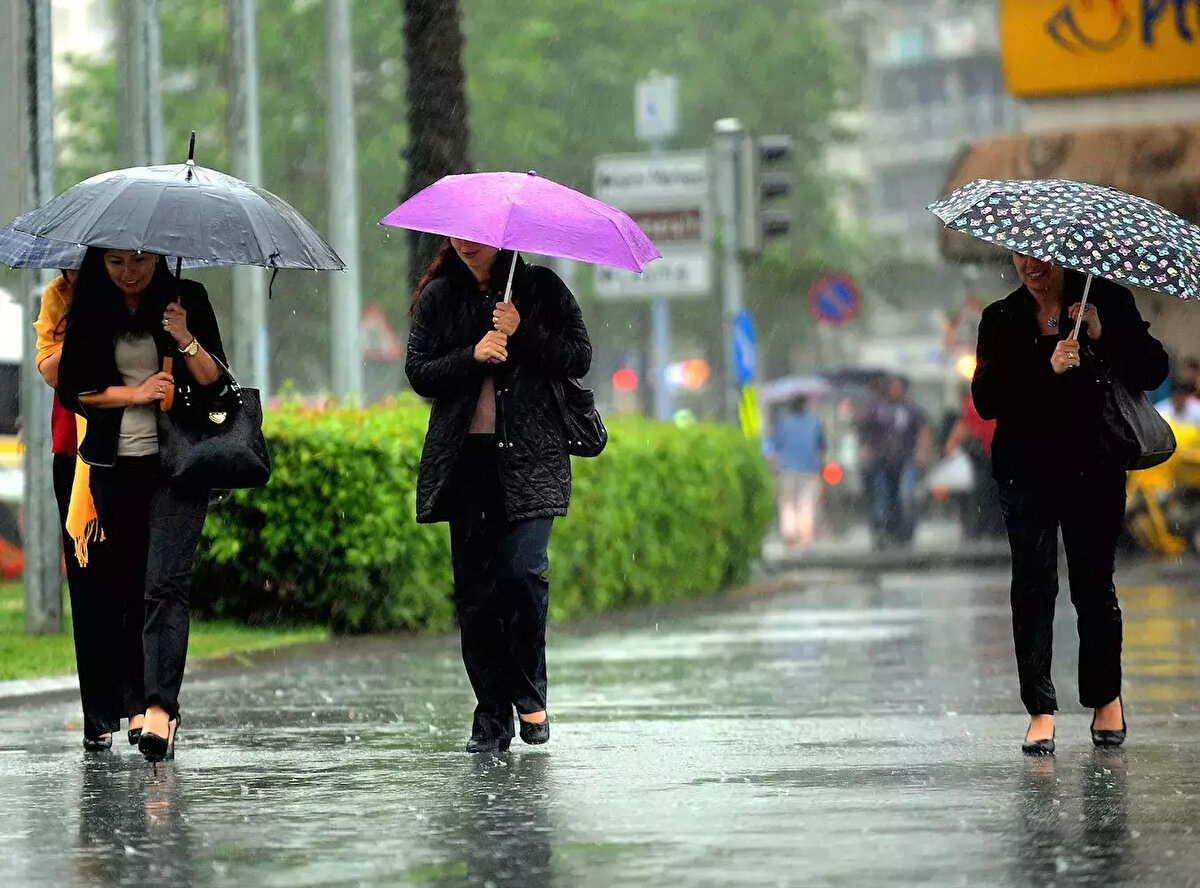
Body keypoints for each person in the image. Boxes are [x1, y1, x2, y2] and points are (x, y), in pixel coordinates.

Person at [973, 252, 1167, 755]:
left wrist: (1105, 335)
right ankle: (1039, 710)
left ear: (1065, 257)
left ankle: (1106, 700)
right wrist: (1047, 365)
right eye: (1021, 256)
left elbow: (1153, 369)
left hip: (1094, 467)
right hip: (1026, 471)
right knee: (1033, 588)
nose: (1032, 266)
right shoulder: (1001, 317)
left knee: (1094, 588)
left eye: (1043, 259)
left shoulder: (1104, 301)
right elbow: (987, 399)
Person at [405, 238, 591, 754]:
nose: (466, 244)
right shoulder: (440, 298)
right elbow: (418, 371)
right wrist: (472, 354)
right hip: (467, 463)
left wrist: (521, 331)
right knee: (476, 596)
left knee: (522, 571)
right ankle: (491, 713)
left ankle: (530, 694)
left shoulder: (540, 289)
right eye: (457, 234)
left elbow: (579, 357)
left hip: (533, 460)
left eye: (477, 235)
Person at [58, 247, 226, 763]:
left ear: (159, 258)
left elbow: (217, 384)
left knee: (166, 584)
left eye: (140, 260)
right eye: (115, 263)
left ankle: (160, 709)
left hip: (177, 466)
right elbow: (73, 391)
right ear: (99, 266)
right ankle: (134, 700)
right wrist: (133, 395)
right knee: (126, 586)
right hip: (115, 469)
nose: (129, 273)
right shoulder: (90, 309)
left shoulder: (187, 299)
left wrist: (184, 336)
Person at [33, 269, 141, 751]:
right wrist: (85, 330)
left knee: (133, 578)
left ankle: (139, 704)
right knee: (87, 582)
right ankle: (97, 715)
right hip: (73, 452)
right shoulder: (58, 299)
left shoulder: (136, 293)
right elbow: (51, 370)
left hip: (135, 447)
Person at [857, 376, 930, 548]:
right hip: (881, 459)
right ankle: (882, 530)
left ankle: (904, 530)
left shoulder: (911, 409)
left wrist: (922, 452)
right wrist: (867, 449)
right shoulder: (877, 409)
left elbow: (923, 429)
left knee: (906, 496)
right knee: (882, 496)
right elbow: (864, 429)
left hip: (906, 459)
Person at [944, 386, 1004, 539]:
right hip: (988, 456)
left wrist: (951, 447)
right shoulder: (975, 405)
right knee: (990, 493)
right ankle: (992, 528)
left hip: (990, 456)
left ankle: (988, 528)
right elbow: (963, 427)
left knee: (987, 493)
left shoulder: (975, 404)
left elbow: (962, 428)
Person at [768, 395, 825, 547]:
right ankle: (806, 536)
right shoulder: (814, 422)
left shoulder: (783, 423)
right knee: (806, 503)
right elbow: (821, 446)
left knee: (787, 503)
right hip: (809, 468)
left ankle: (790, 533)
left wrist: (773, 465)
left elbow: (774, 446)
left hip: (786, 468)